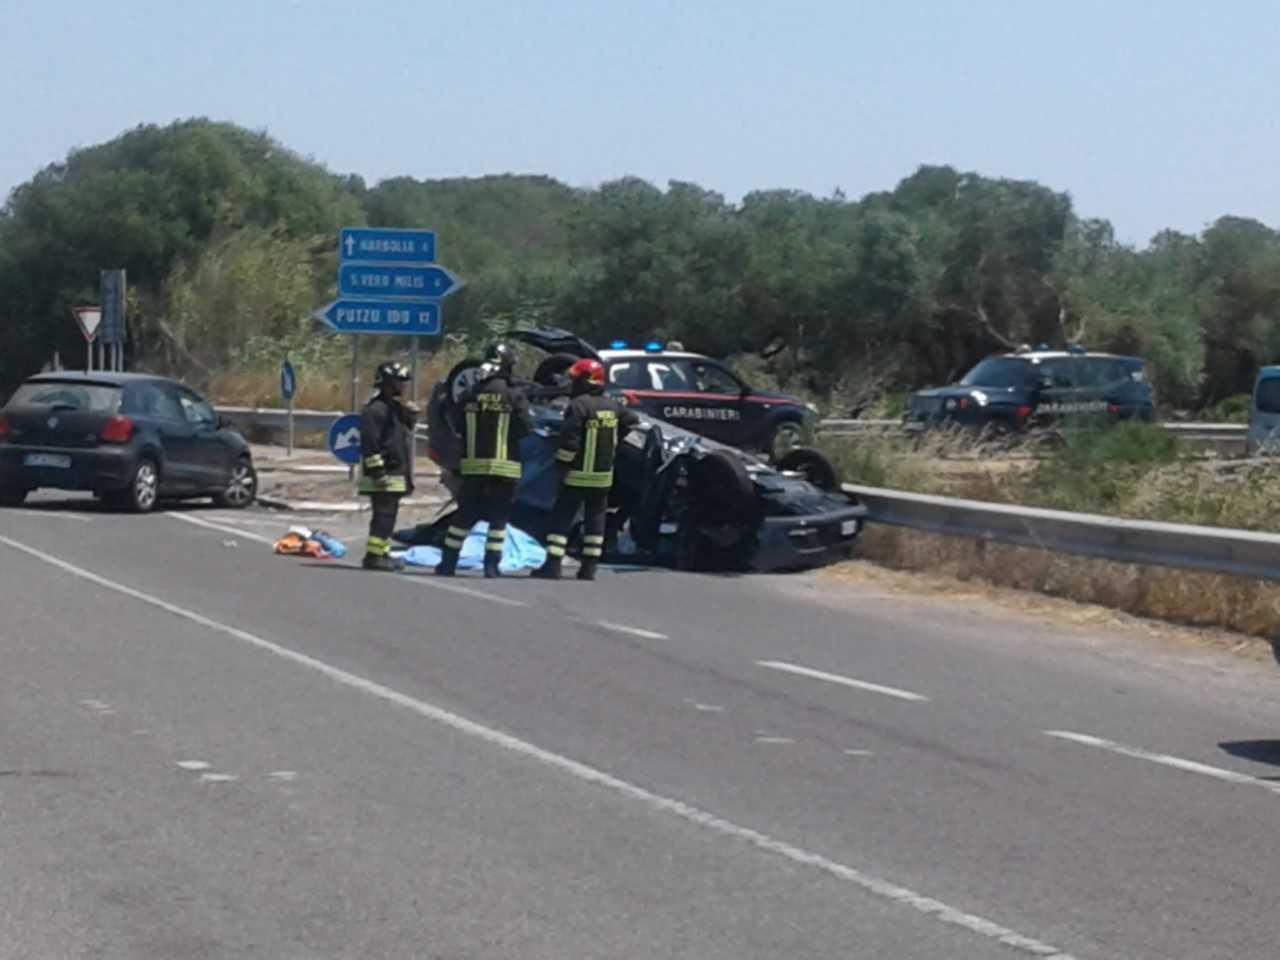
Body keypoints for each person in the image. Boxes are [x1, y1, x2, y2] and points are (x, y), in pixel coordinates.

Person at [534, 358, 639, 581]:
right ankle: (589, 567)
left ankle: (552, 566)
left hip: (576, 475)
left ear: (586, 381)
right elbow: (632, 420)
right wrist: (614, 440)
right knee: (595, 520)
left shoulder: (578, 406)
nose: (572, 384)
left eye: (575, 379)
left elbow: (570, 442)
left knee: (561, 518)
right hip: (602, 477)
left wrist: (562, 466)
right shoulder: (612, 405)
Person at [437, 343, 532, 578]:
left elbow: (457, 424)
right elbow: (526, 428)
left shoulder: (471, 394)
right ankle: (491, 567)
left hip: (473, 467)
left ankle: (448, 563)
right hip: (505, 468)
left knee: (464, 517)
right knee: (498, 521)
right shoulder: (513, 394)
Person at [359, 361, 414, 571]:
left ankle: (381, 552)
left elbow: (400, 437)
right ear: (388, 383)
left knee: (388, 517)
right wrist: (377, 472)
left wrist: (409, 417)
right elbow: (370, 444)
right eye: (399, 382)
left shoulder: (393, 409)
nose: (403, 386)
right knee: (383, 517)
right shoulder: (375, 410)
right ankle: (373, 556)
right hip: (383, 474)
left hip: (395, 473)